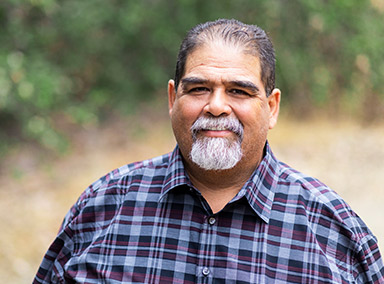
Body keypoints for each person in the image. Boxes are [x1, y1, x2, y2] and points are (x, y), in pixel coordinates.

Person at [34, 19, 384, 283]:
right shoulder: (102, 208)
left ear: (272, 107)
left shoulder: (333, 232)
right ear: (173, 99)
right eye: (199, 88)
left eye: (239, 91)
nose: (216, 106)